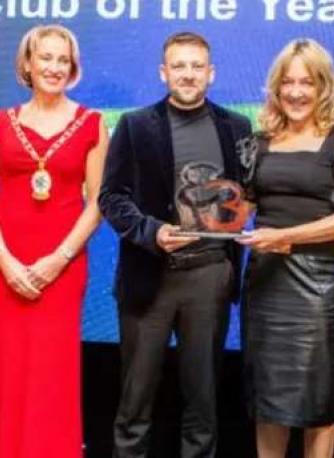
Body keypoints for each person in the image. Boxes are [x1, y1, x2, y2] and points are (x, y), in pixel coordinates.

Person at [99, 31, 252, 458]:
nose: (188, 74)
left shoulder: (237, 127)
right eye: (179, 66)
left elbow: (244, 196)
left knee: (202, 404)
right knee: (135, 403)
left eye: (196, 66)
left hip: (209, 277)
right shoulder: (134, 125)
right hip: (149, 277)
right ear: (164, 72)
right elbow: (110, 197)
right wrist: (151, 231)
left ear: (211, 73)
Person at [236, 39, 334, 458]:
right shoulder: (256, 144)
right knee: (269, 401)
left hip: (317, 286)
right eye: (288, 82)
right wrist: (197, 217)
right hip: (265, 285)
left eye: (307, 82)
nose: (297, 92)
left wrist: (284, 237)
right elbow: (239, 210)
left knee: (316, 405)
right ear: (276, 88)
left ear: (324, 88)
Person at [0, 23, 108, 457]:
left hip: (62, 269)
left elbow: (98, 201)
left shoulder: (92, 125)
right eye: (45, 57)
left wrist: (58, 259)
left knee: (51, 374)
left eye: (62, 60)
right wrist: (5, 258)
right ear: (27, 63)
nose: (54, 67)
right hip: (6, 264)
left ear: (73, 67)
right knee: (4, 369)